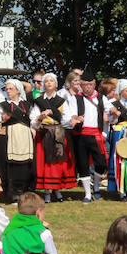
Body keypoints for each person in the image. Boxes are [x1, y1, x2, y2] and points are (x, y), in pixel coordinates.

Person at [31, 72, 76, 202]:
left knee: (58, 162)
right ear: (44, 85)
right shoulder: (39, 101)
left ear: (56, 84)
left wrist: (54, 113)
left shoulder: (61, 101)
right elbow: (33, 120)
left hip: (58, 133)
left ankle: (57, 190)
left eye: (51, 81)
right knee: (45, 163)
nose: (49, 83)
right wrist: (40, 117)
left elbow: (66, 118)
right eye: (46, 81)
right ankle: (46, 192)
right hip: (44, 133)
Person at [0, 78, 35, 202]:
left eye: (11, 89)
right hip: (10, 138)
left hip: (24, 138)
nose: (8, 91)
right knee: (10, 166)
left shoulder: (26, 105)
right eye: (6, 89)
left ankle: (24, 191)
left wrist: (36, 124)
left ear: (18, 90)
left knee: (25, 165)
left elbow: (33, 120)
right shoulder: (3, 105)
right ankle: (11, 193)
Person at [67, 76, 109, 203]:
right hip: (81, 135)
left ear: (94, 84)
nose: (88, 87)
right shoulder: (76, 98)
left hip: (96, 135)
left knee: (101, 163)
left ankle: (96, 186)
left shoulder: (101, 98)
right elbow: (72, 113)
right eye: (85, 84)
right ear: (81, 85)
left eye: (90, 84)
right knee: (83, 165)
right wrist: (75, 118)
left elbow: (109, 109)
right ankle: (87, 194)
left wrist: (113, 112)